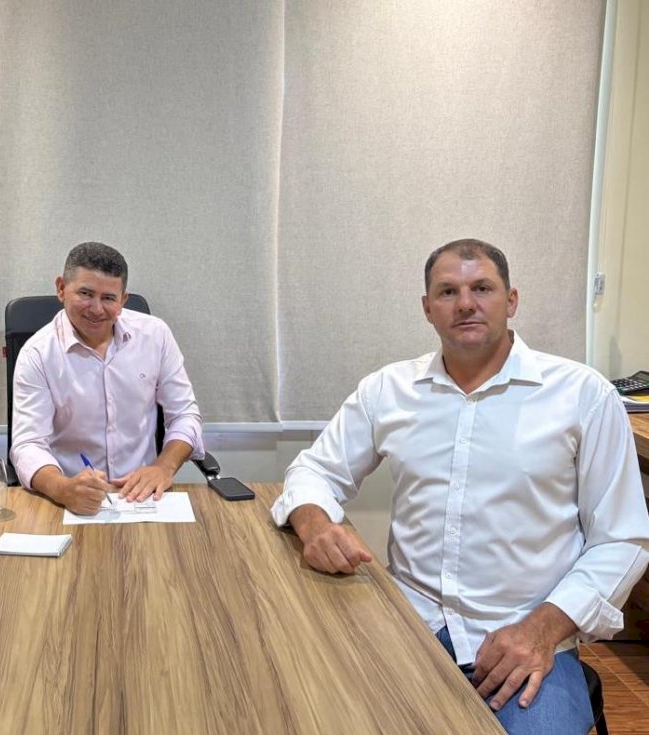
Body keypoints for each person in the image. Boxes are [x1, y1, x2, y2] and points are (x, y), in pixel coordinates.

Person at [271, 238, 649, 735]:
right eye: (448, 291)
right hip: (409, 624)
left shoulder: (583, 395)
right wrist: (315, 523)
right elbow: (314, 470)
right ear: (427, 308)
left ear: (511, 301)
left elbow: (622, 538)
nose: (465, 303)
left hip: (526, 635)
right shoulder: (389, 389)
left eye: (482, 288)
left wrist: (543, 628)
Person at [10, 241, 204, 514]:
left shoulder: (155, 335)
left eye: (109, 298)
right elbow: (28, 444)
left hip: (143, 498)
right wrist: (63, 488)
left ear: (123, 300)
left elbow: (184, 414)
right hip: (70, 502)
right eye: (85, 293)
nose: (96, 309)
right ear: (61, 288)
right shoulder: (37, 354)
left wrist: (163, 467)